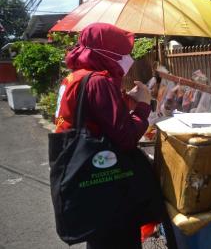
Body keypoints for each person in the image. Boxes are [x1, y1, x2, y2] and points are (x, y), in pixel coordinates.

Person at [54, 22, 159, 248]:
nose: (126, 57)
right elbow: (126, 137)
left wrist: (123, 100)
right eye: (122, 52)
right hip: (105, 180)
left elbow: (91, 116)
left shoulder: (76, 77)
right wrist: (142, 105)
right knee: (117, 239)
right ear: (105, 51)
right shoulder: (99, 81)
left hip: (82, 170)